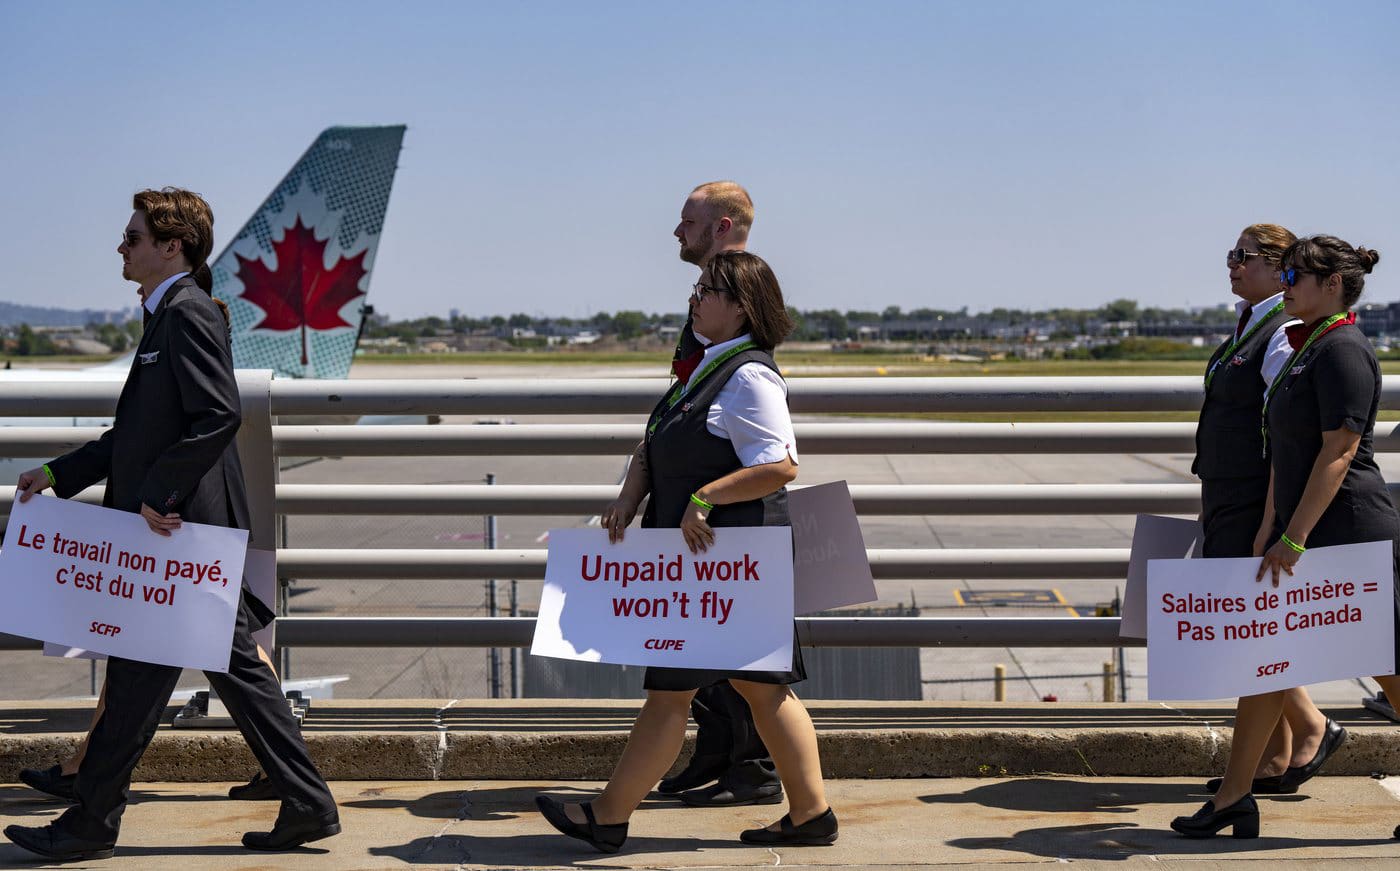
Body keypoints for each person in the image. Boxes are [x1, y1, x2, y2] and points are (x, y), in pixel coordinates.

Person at [3, 188, 339, 861]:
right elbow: (135, 433)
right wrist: (59, 472)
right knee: (161, 675)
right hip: (174, 532)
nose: (121, 248)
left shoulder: (185, 313)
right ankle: (303, 800)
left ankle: (95, 819)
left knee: (159, 675)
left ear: (170, 246)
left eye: (131, 238)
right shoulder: (166, 314)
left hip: (177, 531)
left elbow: (218, 414)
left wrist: (158, 494)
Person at [536, 251, 837, 852]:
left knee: (679, 690)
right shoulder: (704, 370)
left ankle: (610, 814)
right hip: (709, 567)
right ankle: (810, 814)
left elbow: (779, 465)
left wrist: (702, 498)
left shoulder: (749, 376)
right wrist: (629, 497)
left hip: (723, 564)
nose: (694, 298)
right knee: (760, 687)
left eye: (706, 290)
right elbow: (656, 445)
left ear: (741, 306)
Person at [1172, 235, 1400, 839]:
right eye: (1288, 272)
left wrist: (1293, 537)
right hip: (1301, 527)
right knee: (1266, 659)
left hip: (1347, 526)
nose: (1288, 283)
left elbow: (1339, 450)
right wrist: (1270, 524)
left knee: (1389, 668)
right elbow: (1285, 451)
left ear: (1333, 285)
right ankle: (1234, 796)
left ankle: (1236, 793)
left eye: (1298, 275)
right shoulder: (1308, 347)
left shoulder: (1344, 349)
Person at [1195, 225, 1345, 799]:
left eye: (1246, 257)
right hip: (1230, 492)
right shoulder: (1251, 323)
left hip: (1255, 497)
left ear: (1281, 267)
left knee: (1254, 629)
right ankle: (1280, 751)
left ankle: (1307, 730)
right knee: (1253, 628)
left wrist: (1270, 517)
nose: (1232, 264)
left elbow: (1283, 428)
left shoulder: (1281, 333)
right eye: (1231, 254)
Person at [655, 181, 786, 808]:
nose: (677, 233)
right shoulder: (705, 306)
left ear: (723, 225)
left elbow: (767, 445)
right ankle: (716, 755)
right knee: (702, 652)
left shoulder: (737, 296)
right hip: (689, 506)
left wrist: (702, 495)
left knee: (742, 660)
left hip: (725, 517)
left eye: (688, 222)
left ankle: (752, 768)